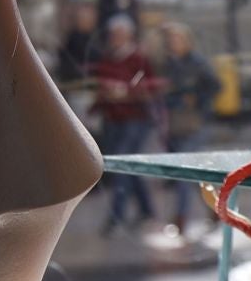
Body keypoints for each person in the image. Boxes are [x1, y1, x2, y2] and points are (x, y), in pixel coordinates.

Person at [90, 14, 164, 234]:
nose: (115, 38)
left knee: (122, 164)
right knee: (128, 166)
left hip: (136, 118)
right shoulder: (107, 58)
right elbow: (101, 86)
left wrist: (126, 91)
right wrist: (96, 106)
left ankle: (116, 216)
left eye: (120, 34)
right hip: (113, 118)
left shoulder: (139, 58)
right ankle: (147, 210)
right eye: (113, 34)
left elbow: (152, 85)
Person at [160, 21, 219, 232]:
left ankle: (181, 218)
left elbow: (215, 86)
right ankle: (215, 207)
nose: (174, 44)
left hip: (195, 123)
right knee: (194, 175)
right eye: (171, 40)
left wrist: (197, 99)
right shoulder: (168, 65)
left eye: (178, 39)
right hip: (176, 123)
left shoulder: (198, 63)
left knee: (185, 171)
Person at [56, 0, 101, 85]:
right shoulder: (72, 41)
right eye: (86, 14)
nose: (92, 17)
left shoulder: (96, 38)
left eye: (93, 13)